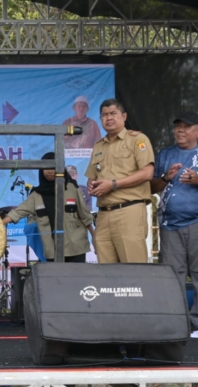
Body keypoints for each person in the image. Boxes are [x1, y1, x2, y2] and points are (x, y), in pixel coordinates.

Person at [150, 112, 198, 334]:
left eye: (186, 126)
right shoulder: (165, 155)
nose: (180, 130)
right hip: (169, 224)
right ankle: (175, 320)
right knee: (173, 275)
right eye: (177, 127)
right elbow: (150, 188)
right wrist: (165, 178)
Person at [84, 98, 155, 263]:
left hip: (129, 209)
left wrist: (113, 184)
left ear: (124, 116)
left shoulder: (137, 139)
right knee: (107, 272)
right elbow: (92, 177)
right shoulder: (98, 146)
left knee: (133, 268)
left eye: (113, 114)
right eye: (104, 115)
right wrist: (92, 186)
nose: (108, 118)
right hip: (103, 214)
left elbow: (147, 173)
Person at [3, 152, 95, 262]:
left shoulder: (72, 188)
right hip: (52, 250)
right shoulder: (36, 195)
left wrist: (95, 237)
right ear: (41, 170)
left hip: (76, 248)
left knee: (76, 279)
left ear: (60, 168)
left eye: (53, 167)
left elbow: (85, 215)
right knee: (55, 279)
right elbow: (17, 212)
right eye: (46, 168)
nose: (50, 171)